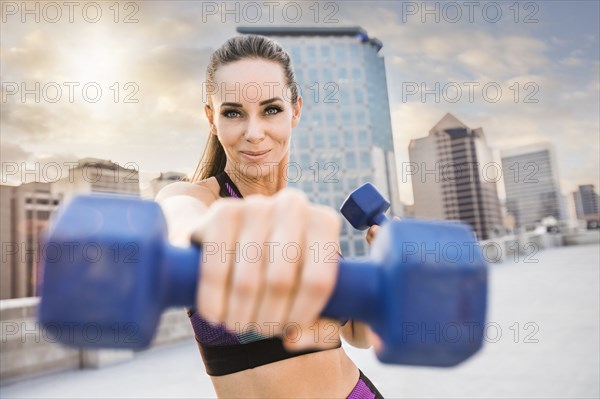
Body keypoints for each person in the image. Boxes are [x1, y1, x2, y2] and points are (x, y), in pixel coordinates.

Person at [156, 34, 384, 399]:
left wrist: (385, 267)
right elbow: (178, 220)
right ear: (211, 118)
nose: (254, 132)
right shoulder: (195, 200)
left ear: (295, 111)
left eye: (271, 109)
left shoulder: (307, 223)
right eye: (233, 113)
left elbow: (358, 334)